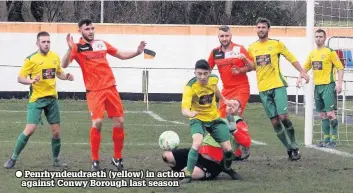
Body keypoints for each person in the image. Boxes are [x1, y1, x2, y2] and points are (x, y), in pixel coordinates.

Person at [61, 18, 146, 171]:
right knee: (98, 123)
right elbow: (64, 64)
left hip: (111, 88)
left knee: (120, 121)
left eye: (92, 28)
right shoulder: (77, 47)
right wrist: (69, 48)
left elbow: (120, 54)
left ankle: (117, 158)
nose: (91, 31)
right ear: (79, 30)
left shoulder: (102, 43)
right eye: (87, 29)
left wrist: (137, 52)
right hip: (94, 91)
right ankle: (95, 160)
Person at [4, 31, 74, 169]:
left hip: (52, 99)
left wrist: (66, 76)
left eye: (48, 41)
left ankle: (56, 160)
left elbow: (58, 72)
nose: (46, 44)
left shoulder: (54, 57)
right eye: (43, 42)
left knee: (56, 131)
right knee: (29, 130)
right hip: (36, 99)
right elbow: (20, 78)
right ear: (37, 43)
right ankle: (13, 158)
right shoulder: (31, 59)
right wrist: (30, 80)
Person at [247, 17, 309, 160]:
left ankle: (294, 145)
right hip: (263, 89)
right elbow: (252, 66)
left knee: (283, 117)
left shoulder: (276, 44)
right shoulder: (252, 47)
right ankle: (289, 149)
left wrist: (302, 72)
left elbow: (291, 58)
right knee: (275, 121)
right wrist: (240, 69)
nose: (261, 29)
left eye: (263, 27)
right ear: (256, 29)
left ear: (268, 29)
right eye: (258, 27)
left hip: (278, 85)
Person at [180, 59, 238, 183]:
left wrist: (224, 100)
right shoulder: (190, 87)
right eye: (199, 73)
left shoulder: (214, 79)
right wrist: (190, 113)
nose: (202, 77)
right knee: (197, 141)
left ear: (210, 72)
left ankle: (227, 168)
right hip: (197, 119)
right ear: (195, 72)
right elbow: (184, 109)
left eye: (205, 73)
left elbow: (215, 89)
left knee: (228, 149)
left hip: (214, 118)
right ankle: (188, 175)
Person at [162, 101, 248, 181]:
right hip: (198, 154)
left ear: (240, 109)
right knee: (166, 156)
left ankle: (225, 169)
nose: (231, 106)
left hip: (211, 164)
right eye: (229, 104)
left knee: (183, 173)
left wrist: (234, 131)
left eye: (234, 105)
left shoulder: (238, 123)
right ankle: (183, 167)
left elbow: (246, 142)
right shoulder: (218, 119)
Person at [208, 25, 254, 158]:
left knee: (232, 110)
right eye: (221, 36)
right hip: (226, 91)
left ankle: (245, 145)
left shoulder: (239, 48)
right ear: (218, 37)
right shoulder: (215, 53)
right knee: (221, 120)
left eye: (226, 35)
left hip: (241, 88)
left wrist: (242, 67)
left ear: (231, 36)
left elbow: (252, 66)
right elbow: (208, 69)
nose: (224, 38)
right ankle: (236, 149)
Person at [297, 29, 344, 148]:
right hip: (317, 87)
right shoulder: (312, 54)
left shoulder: (330, 52)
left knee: (330, 113)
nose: (318, 38)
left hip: (328, 85)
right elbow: (305, 68)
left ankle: (333, 140)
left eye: (320, 36)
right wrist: (299, 78)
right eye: (316, 36)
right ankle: (326, 139)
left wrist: (339, 83)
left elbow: (340, 68)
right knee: (322, 115)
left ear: (325, 38)